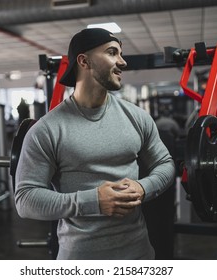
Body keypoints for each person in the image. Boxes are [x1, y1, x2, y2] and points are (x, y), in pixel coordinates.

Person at [15, 28, 175, 260]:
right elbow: (25, 200)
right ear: (84, 61)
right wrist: (93, 202)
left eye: (121, 54)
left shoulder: (137, 117)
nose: (123, 62)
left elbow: (166, 163)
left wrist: (143, 187)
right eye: (112, 53)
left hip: (138, 254)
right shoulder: (47, 129)